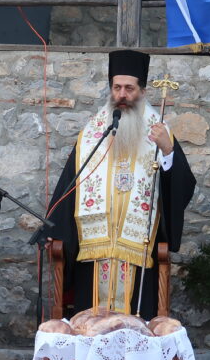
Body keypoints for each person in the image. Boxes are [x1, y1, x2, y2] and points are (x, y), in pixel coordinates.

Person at [46, 49, 196, 321]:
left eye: (129, 88)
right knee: (89, 326)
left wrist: (168, 151)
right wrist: (54, 227)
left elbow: (182, 190)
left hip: (139, 255)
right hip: (93, 253)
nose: (122, 95)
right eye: (117, 88)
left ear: (142, 91)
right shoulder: (92, 133)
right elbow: (70, 184)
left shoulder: (160, 132)